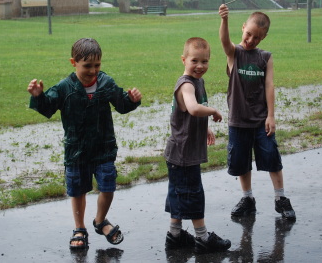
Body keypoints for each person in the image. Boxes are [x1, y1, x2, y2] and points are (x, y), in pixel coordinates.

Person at [27, 38, 142, 250]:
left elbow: (122, 104)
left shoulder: (106, 83)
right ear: (74, 62)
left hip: (103, 149)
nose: (93, 70)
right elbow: (48, 108)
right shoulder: (64, 87)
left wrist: (133, 100)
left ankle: (100, 221)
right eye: (87, 66)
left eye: (97, 65)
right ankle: (79, 228)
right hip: (76, 151)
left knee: (108, 187)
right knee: (77, 190)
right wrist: (38, 96)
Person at [218, 4, 296, 220]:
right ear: (243, 28)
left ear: (264, 38)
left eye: (257, 38)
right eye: (248, 34)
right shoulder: (235, 53)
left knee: (271, 156)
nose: (251, 40)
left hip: (261, 120)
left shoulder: (265, 57)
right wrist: (224, 20)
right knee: (241, 161)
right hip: (238, 120)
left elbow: (269, 86)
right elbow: (224, 41)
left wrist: (271, 116)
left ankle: (280, 199)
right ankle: (247, 199)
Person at [163, 37, 231, 254]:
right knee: (193, 193)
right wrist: (213, 111)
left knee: (179, 192)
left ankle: (174, 235)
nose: (200, 66)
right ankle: (202, 238)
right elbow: (193, 108)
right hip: (183, 153)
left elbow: (192, 115)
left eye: (205, 61)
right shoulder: (186, 84)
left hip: (181, 152)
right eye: (194, 61)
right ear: (184, 60)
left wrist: (205, 127)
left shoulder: (198, 82)